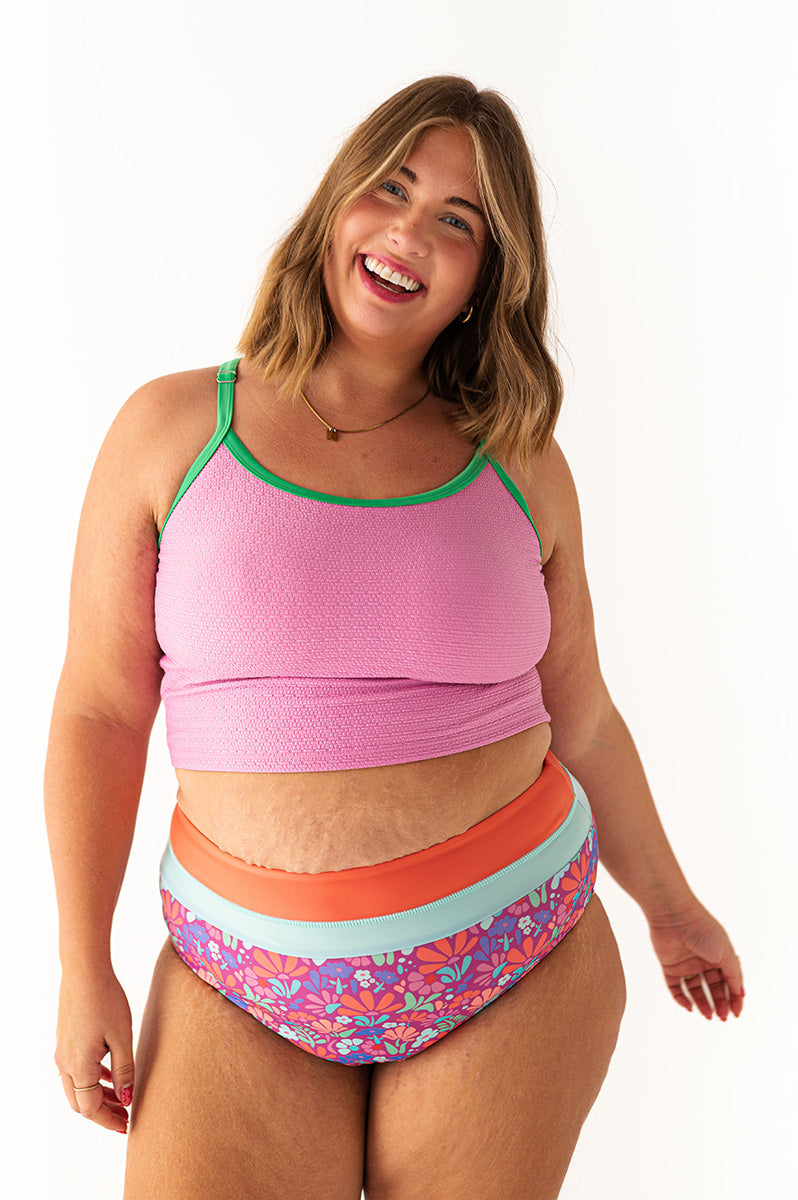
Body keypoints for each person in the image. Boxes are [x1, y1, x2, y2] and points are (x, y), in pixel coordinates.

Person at [45, 75, 744, 1199]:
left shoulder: (521, 464)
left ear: (485, 279)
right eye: (392, 187)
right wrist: (83, 966)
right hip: (240, 983)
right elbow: (100, 709)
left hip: (514, 959)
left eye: (457, 221)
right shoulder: (172, 429)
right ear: (337, 204)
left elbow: (585, 717)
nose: (411, 232)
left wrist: (672, 908)